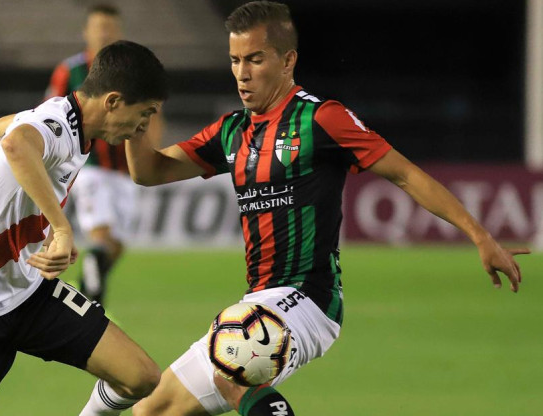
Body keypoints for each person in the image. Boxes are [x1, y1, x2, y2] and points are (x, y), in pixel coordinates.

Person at [115, 2, 529, 416]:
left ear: (287, 60)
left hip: (309, 299)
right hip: (260, 299)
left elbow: (405, 175)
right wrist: (135, 120)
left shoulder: (322, 119)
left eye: (255, 59)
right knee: (152, 408)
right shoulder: (232, 130)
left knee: (235, 361)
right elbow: (149, 171)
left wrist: (480, 235)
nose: (242, 72)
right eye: (235, 60)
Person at [0, 40, 166, 416]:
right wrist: (61, 229)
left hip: (26, 293)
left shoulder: (71, 122)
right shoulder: (60, 125)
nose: (144, 126)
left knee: (140, 376)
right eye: (144, 113)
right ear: (112, 101)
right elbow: (14, 143)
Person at [45, 3, 141, 305]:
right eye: (99, 28)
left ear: (119, 33)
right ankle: (93, 304)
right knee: (100, 235)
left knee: (117, 245)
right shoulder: (71, 70)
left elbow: (152, 114)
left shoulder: (132, 72)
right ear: (86, 32)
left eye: (110, 29)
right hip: (89, 166)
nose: (104, 34)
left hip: (124, 170)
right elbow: (50, 110)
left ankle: (86, 287)